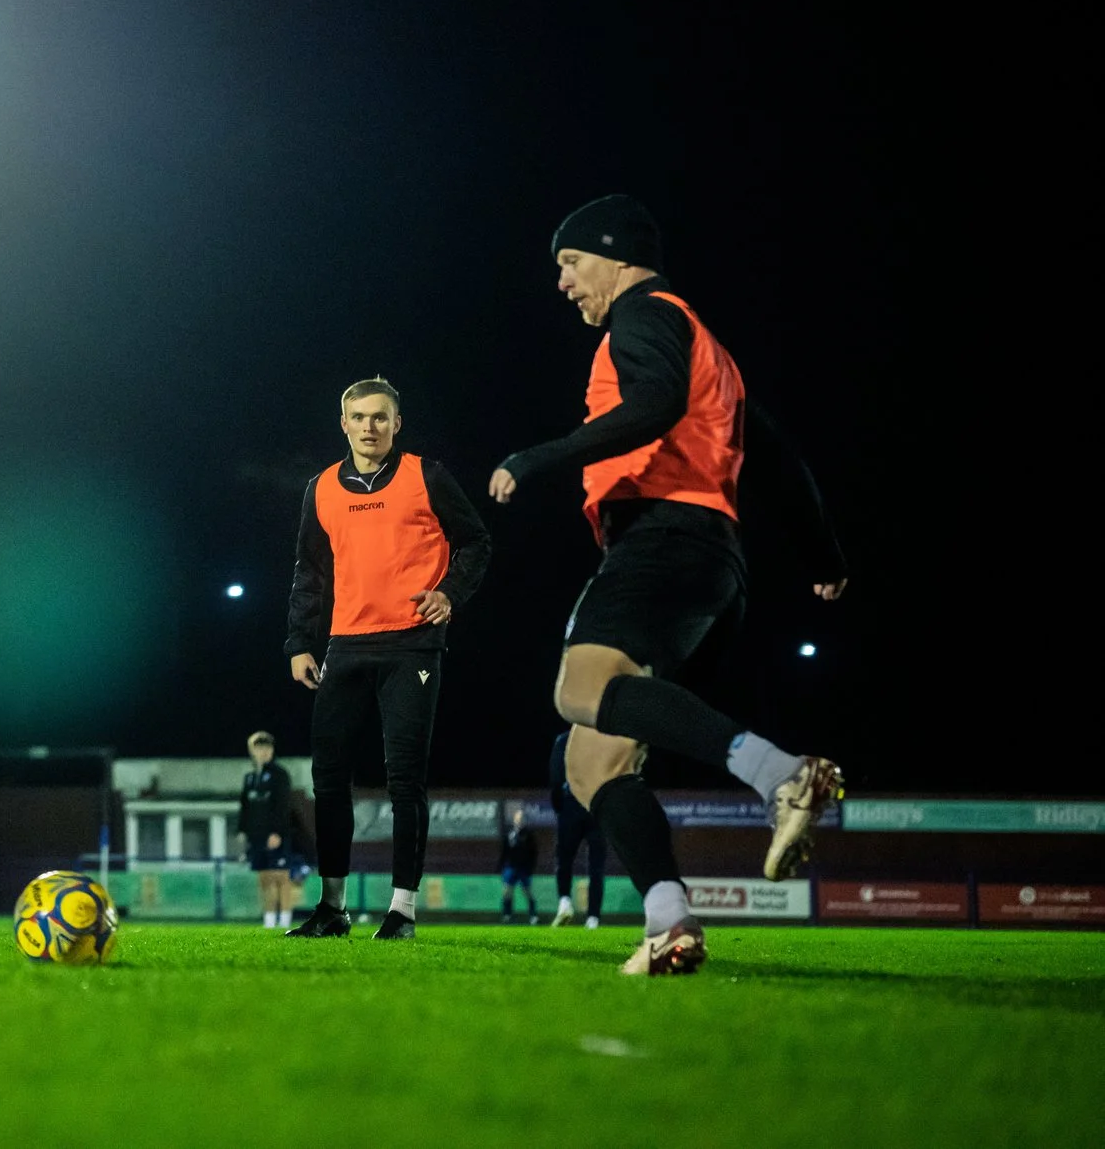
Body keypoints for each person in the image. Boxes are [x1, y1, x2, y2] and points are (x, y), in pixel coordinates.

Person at [489, 194, 846, 978]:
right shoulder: (711, 348)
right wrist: (823, 554)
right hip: (711, 565)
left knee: (578, 688)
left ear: (614, 256)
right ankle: (671, 921)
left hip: (664, 540)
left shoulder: (644, 314)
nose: (563, 281)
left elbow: (651, 409)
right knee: (592, 764)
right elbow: (780, 457)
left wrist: (534, 459)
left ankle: (780, 774)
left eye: (570, 262)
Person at [285, 377, 491, 942]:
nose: (369, 427)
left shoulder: (428, 476)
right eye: (359, 417)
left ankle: (402, 910)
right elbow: (310, 571)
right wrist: (300, 642)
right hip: (345, 644)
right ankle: (332, 908)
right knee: (328, 778)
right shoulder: (321, 488)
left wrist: (449, 592)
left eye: (380, 417)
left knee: (405, 781)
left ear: (397, 424)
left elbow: (477, 542)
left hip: (411, 645)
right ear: (343, 423)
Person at [236, 731, 308, 929]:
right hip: (256, 837)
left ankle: (285, 920)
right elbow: (245, 807)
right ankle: (269, 921)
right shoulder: (250, 778)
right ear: (253, 751)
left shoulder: (279, 775)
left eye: (267, 748)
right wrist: (242, 830)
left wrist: (277, 832)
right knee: (264, 878)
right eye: (259, 748)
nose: (264, 752)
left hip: (277, 835)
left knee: (281, 878)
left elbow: (283, 807)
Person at [548, 729, 605, 927]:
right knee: (596, 867)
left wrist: (560, 807)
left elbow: (556, 778)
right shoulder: (602, 741)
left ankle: (565, 903)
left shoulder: (564, 740)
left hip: (571, 804)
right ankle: (593, 919)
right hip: (596, 807)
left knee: (564, 860)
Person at [499, 804, 541, 922]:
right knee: (507, 891)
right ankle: (507, 915)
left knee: (527, 892)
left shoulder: (529, 835)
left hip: (524, 868)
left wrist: (531, 867)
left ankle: (533, 915)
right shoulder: (509, 834)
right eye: (517, 818)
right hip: (510, 867)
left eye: (522, 819)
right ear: (514, 820)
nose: (519, 821)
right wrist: (501, 866)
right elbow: (504, 851)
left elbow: (534, 853)